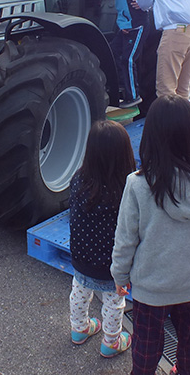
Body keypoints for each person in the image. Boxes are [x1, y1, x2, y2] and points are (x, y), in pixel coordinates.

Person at [111, 94, 190, 375]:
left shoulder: (137, 185)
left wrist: (120, 276)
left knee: (146, 347)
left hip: (151, 286)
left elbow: (125, 240)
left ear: (151, 138)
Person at [68, 120, 134, 358]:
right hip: (112, 267)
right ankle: (111, 342)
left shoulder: (78, 180)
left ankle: (79, 329)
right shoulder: (125, 190)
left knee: (80, 292)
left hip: (81, 259)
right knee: (114, 303)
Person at [79, 0, 147, 108]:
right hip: (127, 27)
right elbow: (124, 8)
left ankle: (133, 96)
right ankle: (122, 85)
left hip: (136, 28)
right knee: (112, 52)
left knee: (128, 60)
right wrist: (123, 24)